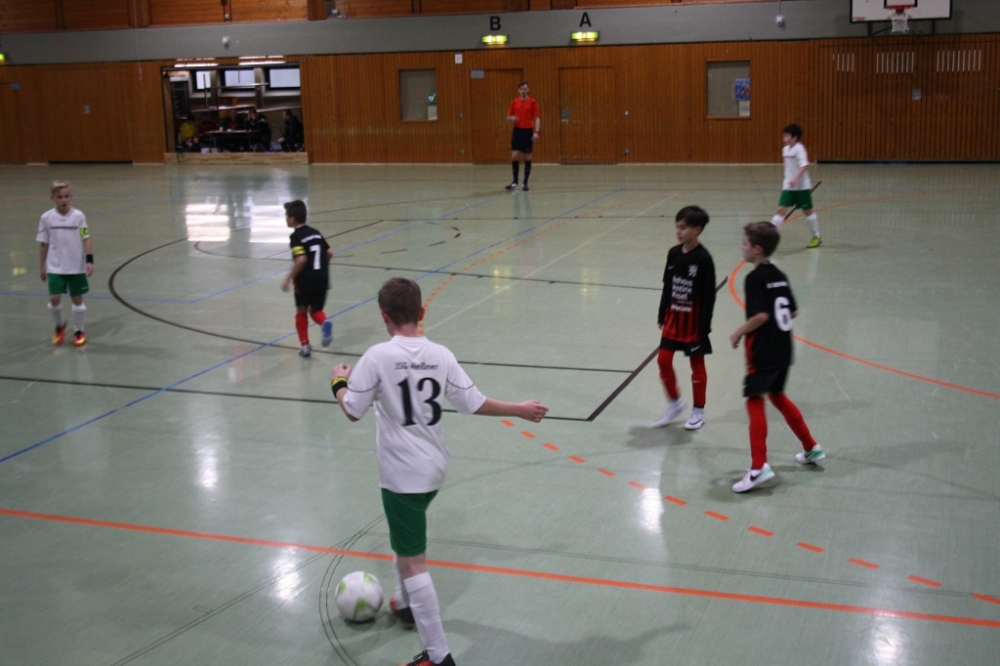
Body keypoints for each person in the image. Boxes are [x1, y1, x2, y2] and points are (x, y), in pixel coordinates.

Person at [330, 277, 548, 666]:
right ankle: (405, 604)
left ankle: (438, 655)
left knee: (413, 562)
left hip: (401, 476)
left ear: (384, 317)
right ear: (422, 312)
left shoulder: (377, 357)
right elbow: (473, 402)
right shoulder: (440, 355)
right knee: (404, 539)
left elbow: (352, 409)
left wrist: (339, 382)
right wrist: (517, 408)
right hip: (434, 468)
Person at [729, 222, 825, 493]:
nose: (741, 247)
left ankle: (759, 467)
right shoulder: (780, 275)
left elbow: (760, 315)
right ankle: (811, 447)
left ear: (757, 249)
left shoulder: (754, 278)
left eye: (744, 243)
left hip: (763, 349)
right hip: (784, 348)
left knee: (754, 400)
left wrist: (738, 332)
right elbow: (792, 312)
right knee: (777, 396)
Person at [653, 206, 716, 430]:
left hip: (694, 324)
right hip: (673, 319)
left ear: (697, 230)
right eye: (677, 227)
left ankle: (699, 411)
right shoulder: (673, 253)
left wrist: (704, 326)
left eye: (683, 227)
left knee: (696, 366)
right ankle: (675, 403)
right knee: (663, 361)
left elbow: (709, 295)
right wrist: (662, 312)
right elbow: (668, 286)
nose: (678, 231)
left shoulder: (704, 259)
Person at [37, 180, 93, 347]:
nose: (64, 200)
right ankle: (60, 324)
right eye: (60, 197)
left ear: (71, 196)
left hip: (75, 266)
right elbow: (44, 243)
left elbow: (86, 237)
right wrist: (42, 266)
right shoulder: (46, 218)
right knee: (54, 298)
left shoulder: (79, 216)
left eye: (66, 196)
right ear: (52, 198)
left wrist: (89, 260)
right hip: (55, 266)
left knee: (77, 298)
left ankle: (78, 330)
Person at [280, 200, 334, 357]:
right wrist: (322, 268)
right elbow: (329, 252)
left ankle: (305, 346)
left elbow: (301, 259)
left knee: (301, 310)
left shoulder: (296, 237)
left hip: (305, 279)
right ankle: (324, 322)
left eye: (286, 215)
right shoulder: (316, 232)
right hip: (322, 277)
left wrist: (289, 278)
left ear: (292, 219)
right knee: (316, 310)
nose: (285, 218)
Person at [771, 123, 821, 248]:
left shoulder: (799, 149)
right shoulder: (785, 150)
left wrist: (796, 178)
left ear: (795, 137)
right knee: (780, 210)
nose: (784, 138)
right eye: (784, 136)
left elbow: (804, 165)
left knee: (807, 211)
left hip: (801, 186)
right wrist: (789, 180)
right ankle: (771, 239)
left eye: (787, 136)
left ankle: (816, 236)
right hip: (788, 186)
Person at [504, 81, 540, 191]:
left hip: (527, 131)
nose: (523, 91)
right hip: (517, 131)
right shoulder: (515, 102)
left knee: (527, 157)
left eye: (525, 89)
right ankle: (515, 182)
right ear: (519, 90)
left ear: (528, 90)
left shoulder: (532, 102)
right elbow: (508, 117)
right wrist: (512, 118)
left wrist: (536, 132)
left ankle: (525, 183)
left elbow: (537, 118)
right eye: (521, 89)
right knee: (514, 156)